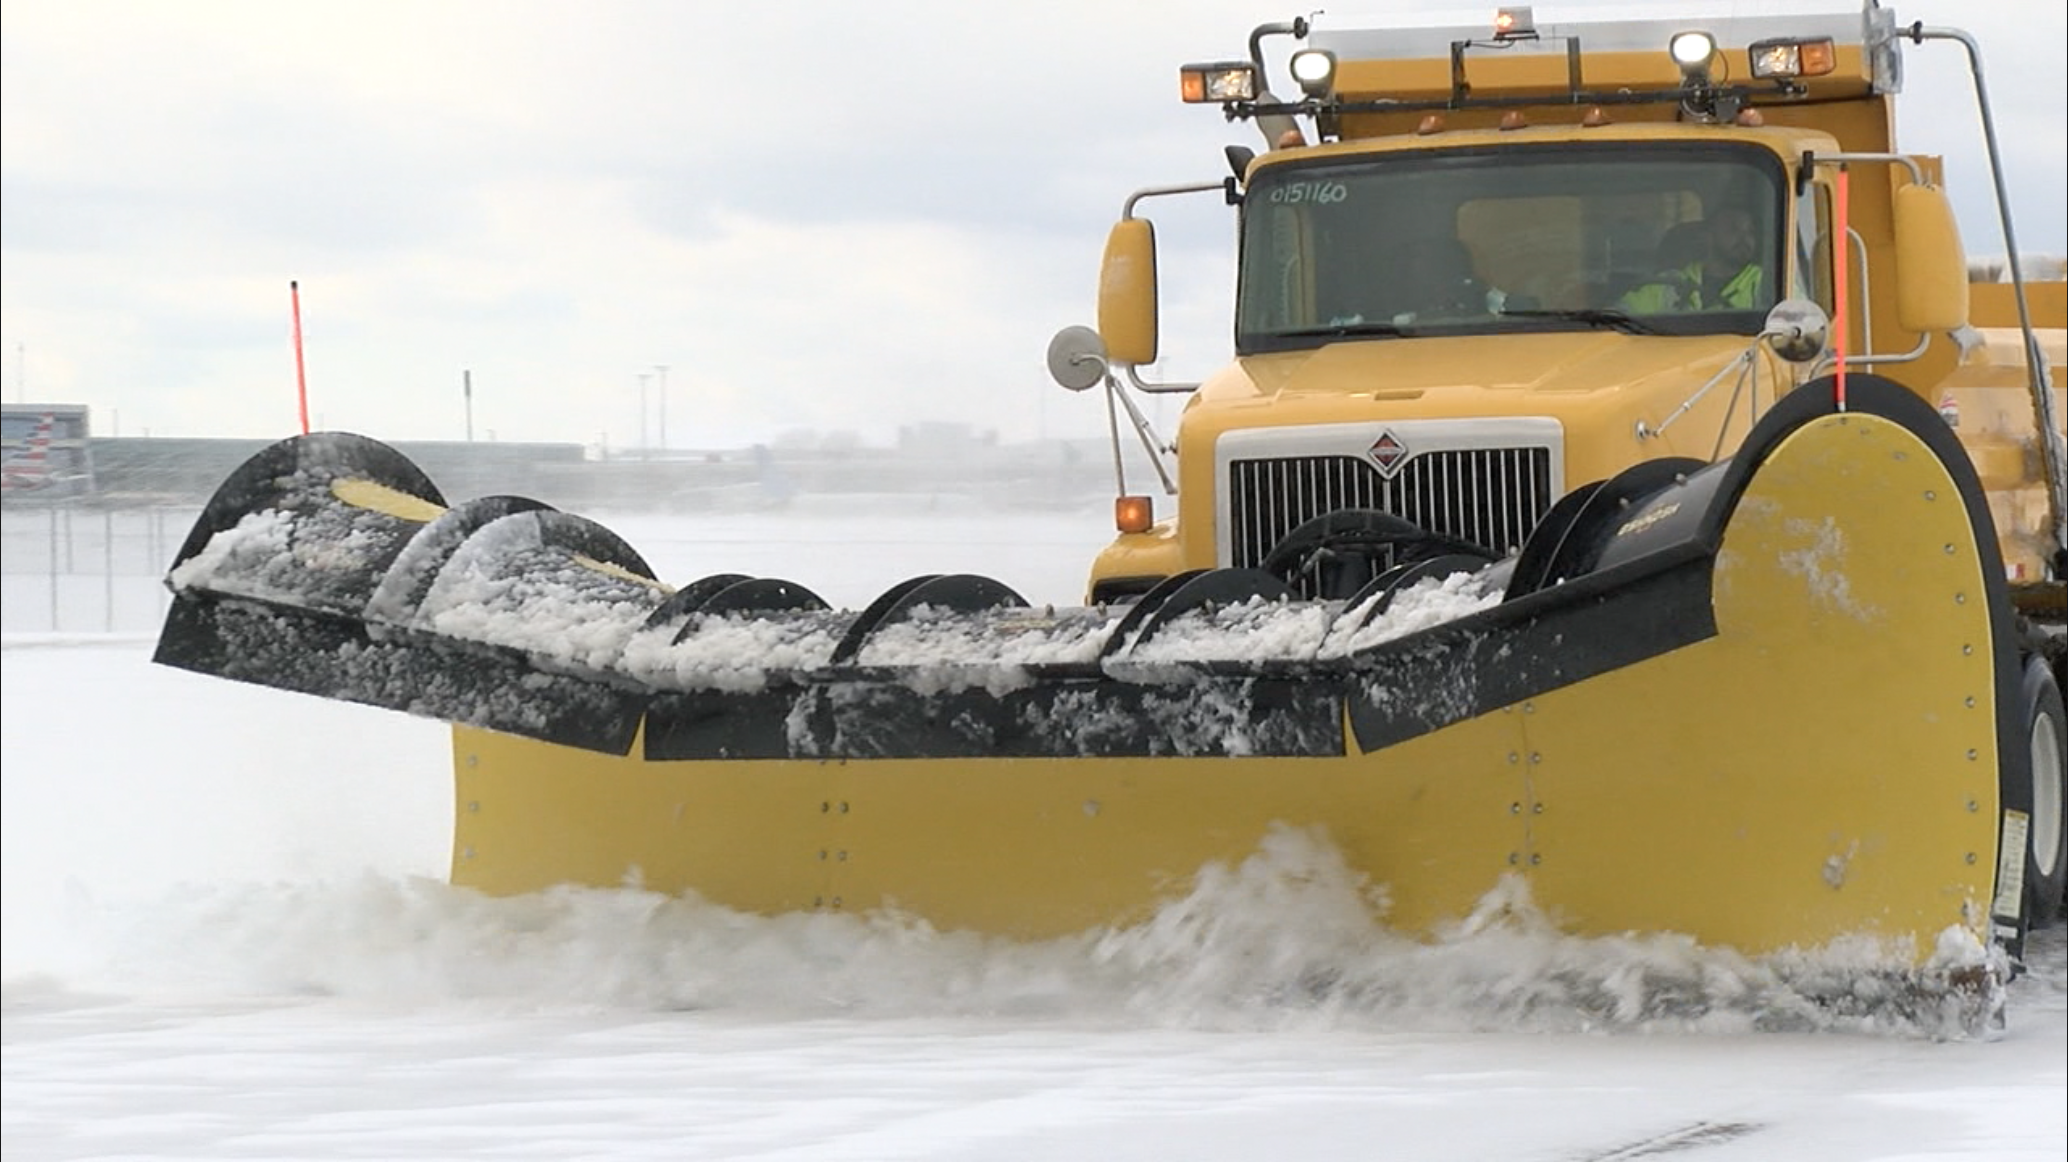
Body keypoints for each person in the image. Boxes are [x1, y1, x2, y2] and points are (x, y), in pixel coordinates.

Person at [1619, 205, 1766, 313]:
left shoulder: (1764, 282)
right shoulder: (1668, 284)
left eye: (1750, 232)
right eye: (1733, 229)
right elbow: (1620, 319)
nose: (1745, 239)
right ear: (1708, 236)